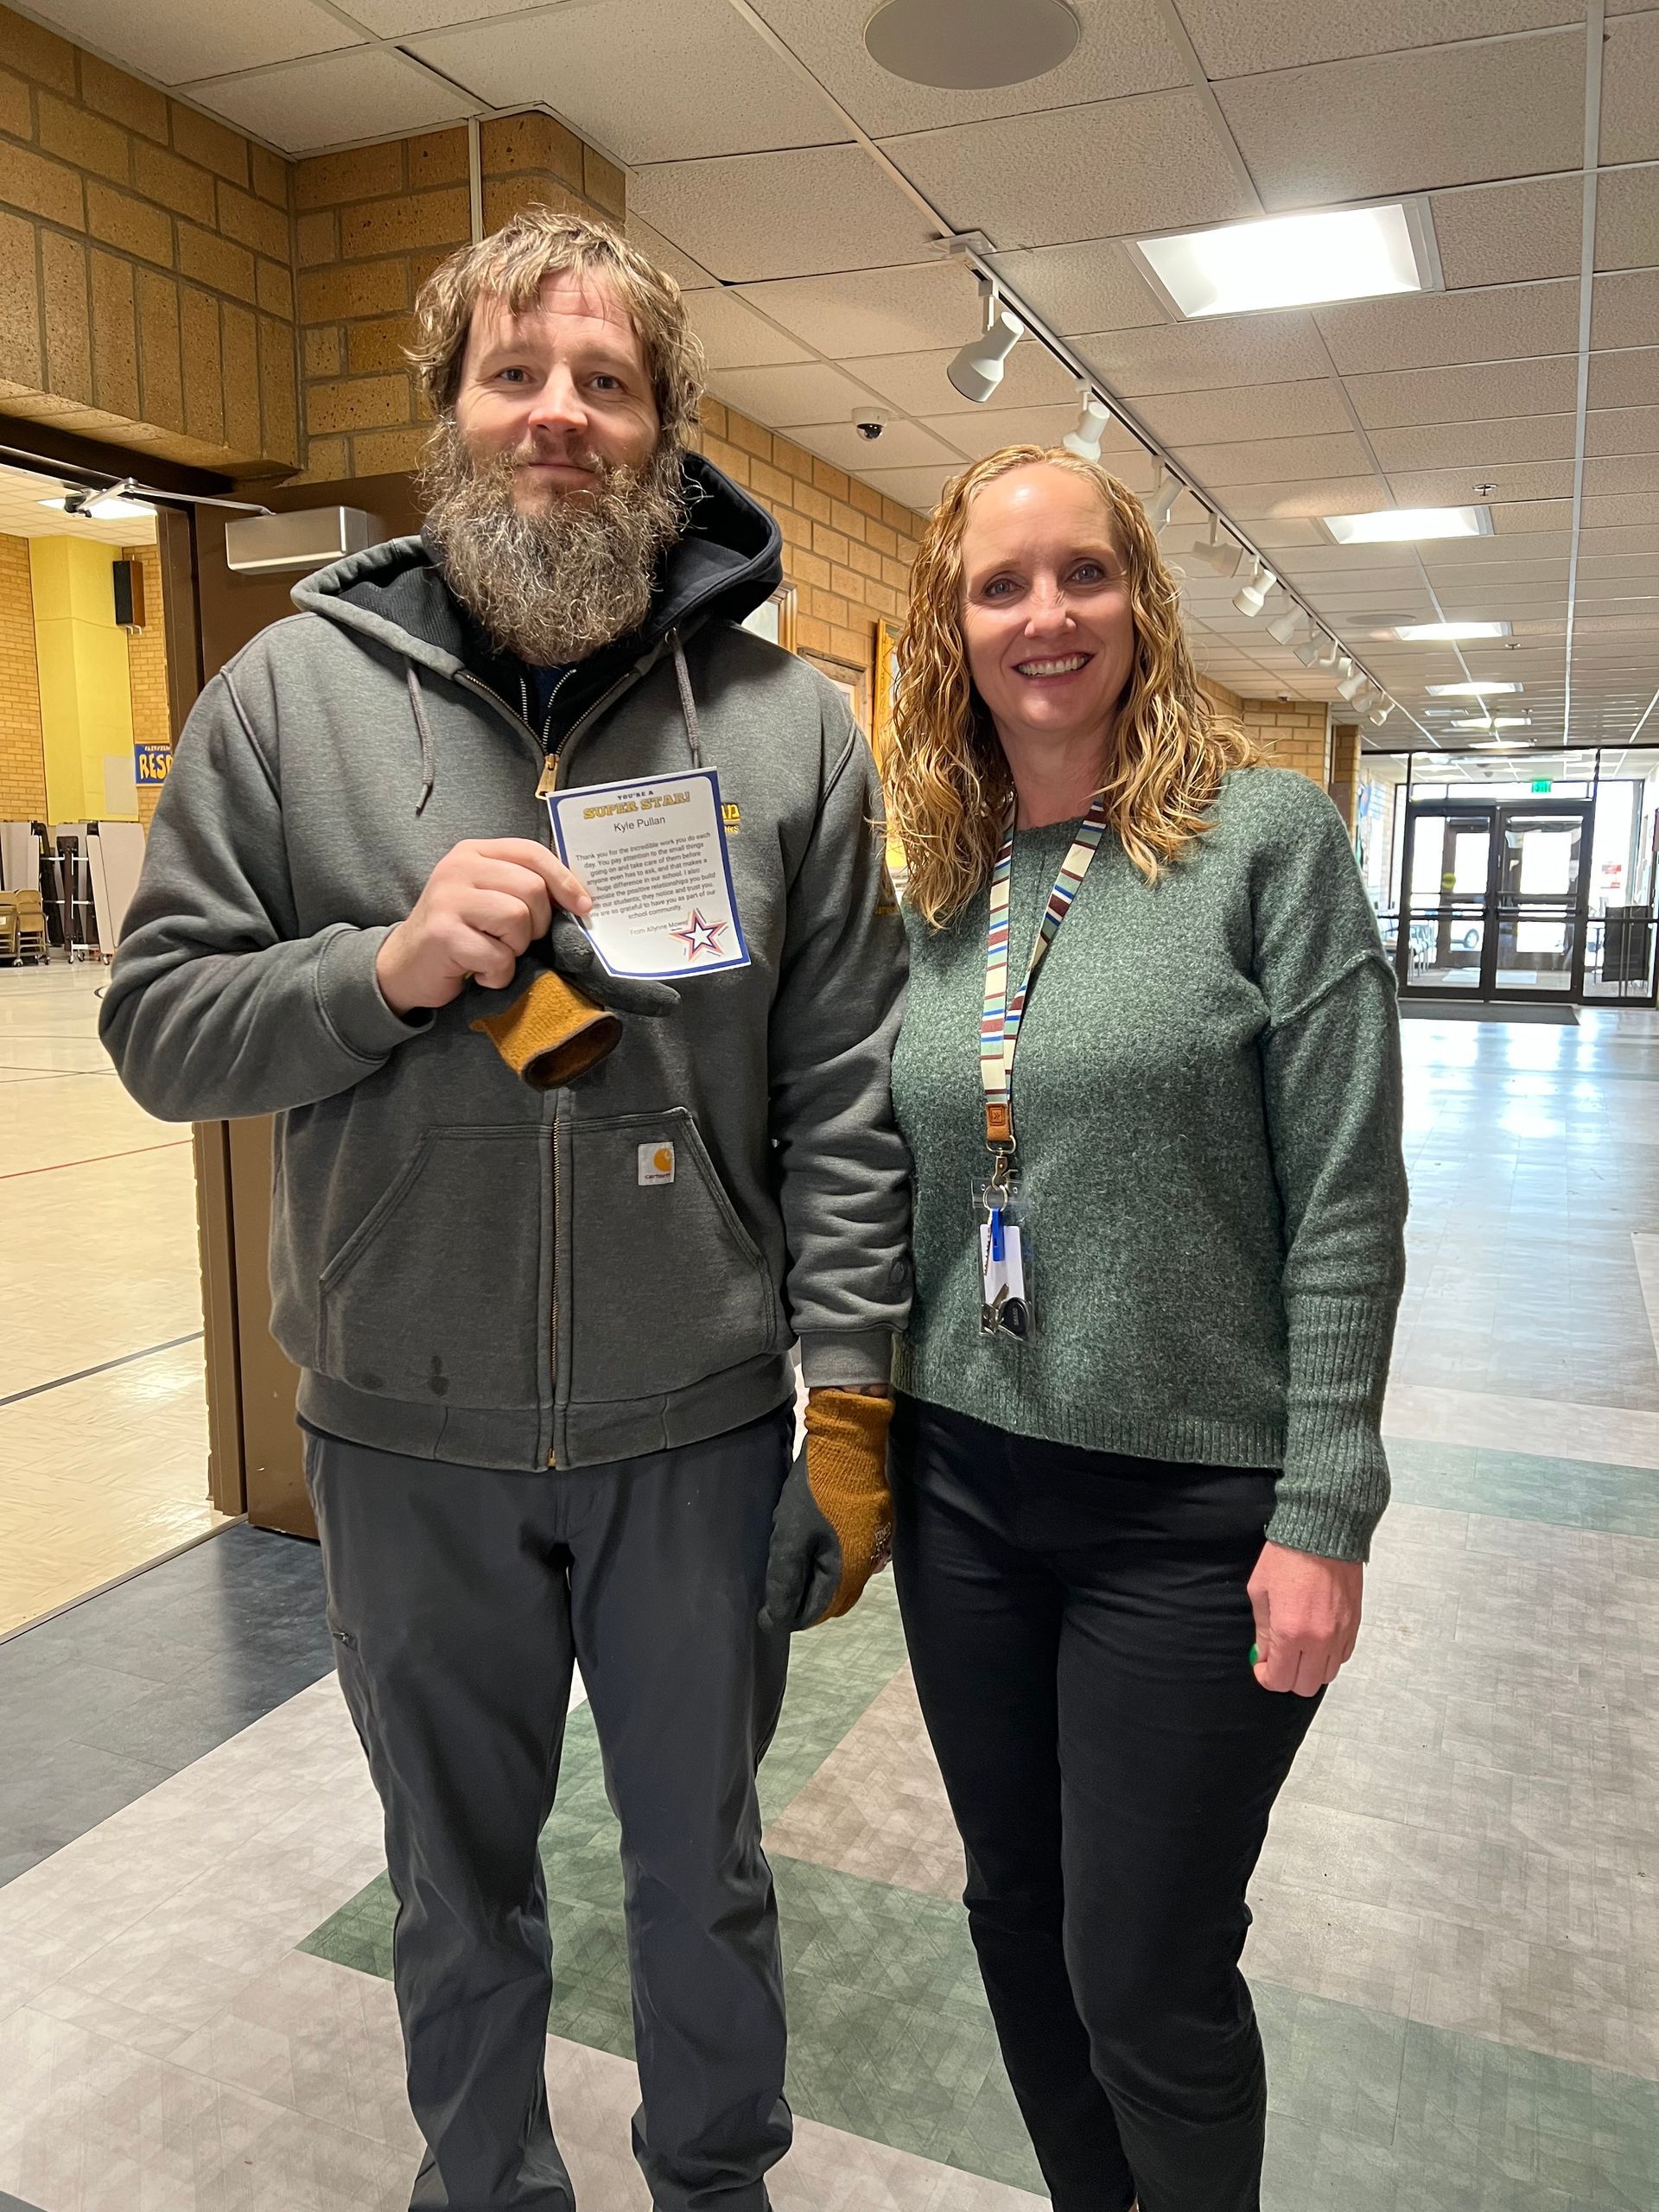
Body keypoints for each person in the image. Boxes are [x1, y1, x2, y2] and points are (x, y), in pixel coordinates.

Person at [100, 208, 910, 2212]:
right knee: (452, 1893)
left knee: (702, 1877)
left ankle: (714, 2180)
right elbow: (161, 1023)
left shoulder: (789, 734)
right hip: (402, 1430)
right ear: (448, 415)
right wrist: (374, 968)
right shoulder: (288, 699)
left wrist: (854, 1394)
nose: (558, 415)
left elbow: (847, 1095)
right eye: (515, 375)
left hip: (697, 1426)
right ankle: (486, 2185)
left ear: (665, 433)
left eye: (606, 383)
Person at [881, 446, 1408, 2212]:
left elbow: (1345, 1191)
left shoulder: (1269, 841)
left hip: (1192, 1512)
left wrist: (1325, 1503)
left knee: (1146, 1967)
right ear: (950, 628)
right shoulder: (938, 887)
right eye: (1001, 584)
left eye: (1083, 574)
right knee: (1015, 1915)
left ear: (1141, 602)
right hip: (969, 1494)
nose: (1047, 615)